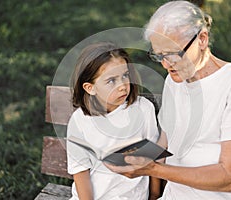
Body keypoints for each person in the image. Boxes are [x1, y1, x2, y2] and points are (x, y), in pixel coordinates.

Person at [105, 1, 231, 199]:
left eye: (173, 54)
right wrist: (128, 156)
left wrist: (153, 170)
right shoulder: (174, 81)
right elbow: (166, 140)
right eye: (159, 56)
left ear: (202, 39)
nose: (166, 65)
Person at [66, 42, 160, 200]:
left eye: (125, 75)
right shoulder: (80, 120)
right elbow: (80, 171)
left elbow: (153, 156)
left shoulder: (143, 109)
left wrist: (155, 195)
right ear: (90, 88)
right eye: (111, 81)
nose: (123, 86)